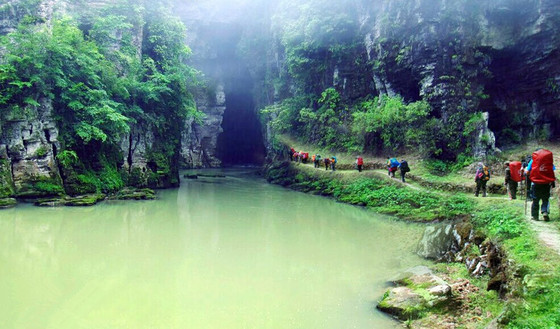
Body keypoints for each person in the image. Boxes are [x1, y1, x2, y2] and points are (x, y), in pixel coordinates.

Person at [528, 149, 556, 221]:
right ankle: (545, 211)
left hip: (536, 183)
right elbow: (553, 170)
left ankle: (535, 216)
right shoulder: (548, 161)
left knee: (535, 199)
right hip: (546, 183)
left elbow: (527, 171)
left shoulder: (533, 161)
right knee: (545, 198)